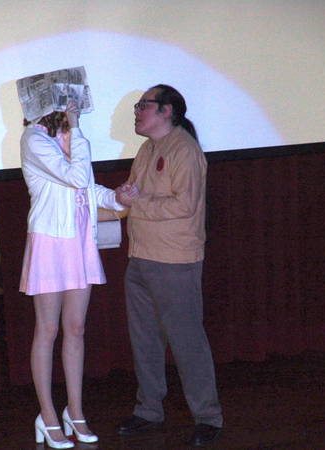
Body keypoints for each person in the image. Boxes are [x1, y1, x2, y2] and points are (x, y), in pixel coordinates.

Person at [115, 85, 223, 447]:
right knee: (144, 341)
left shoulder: (184, 150)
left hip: (174, 262)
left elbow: (184, 206)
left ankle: (208, 417)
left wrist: (137, 201)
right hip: (141, 257)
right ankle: (149, 410)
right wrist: (121, 197)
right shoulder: (147, 149)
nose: (136, 111)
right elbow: (133, 195)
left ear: (166, 111)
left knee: (187, 342)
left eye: (142, 105)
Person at [19, 101, 124, 449]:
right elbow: (76, 176)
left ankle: (75, 412)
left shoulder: (66, 138)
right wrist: (76, 129)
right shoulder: (34, 139)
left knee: (76, 328)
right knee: (47, 330)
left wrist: (119, 198)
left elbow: (86, 188)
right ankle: (47, 415)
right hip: (50, 242)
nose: (72, 109)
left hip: (79, 242)